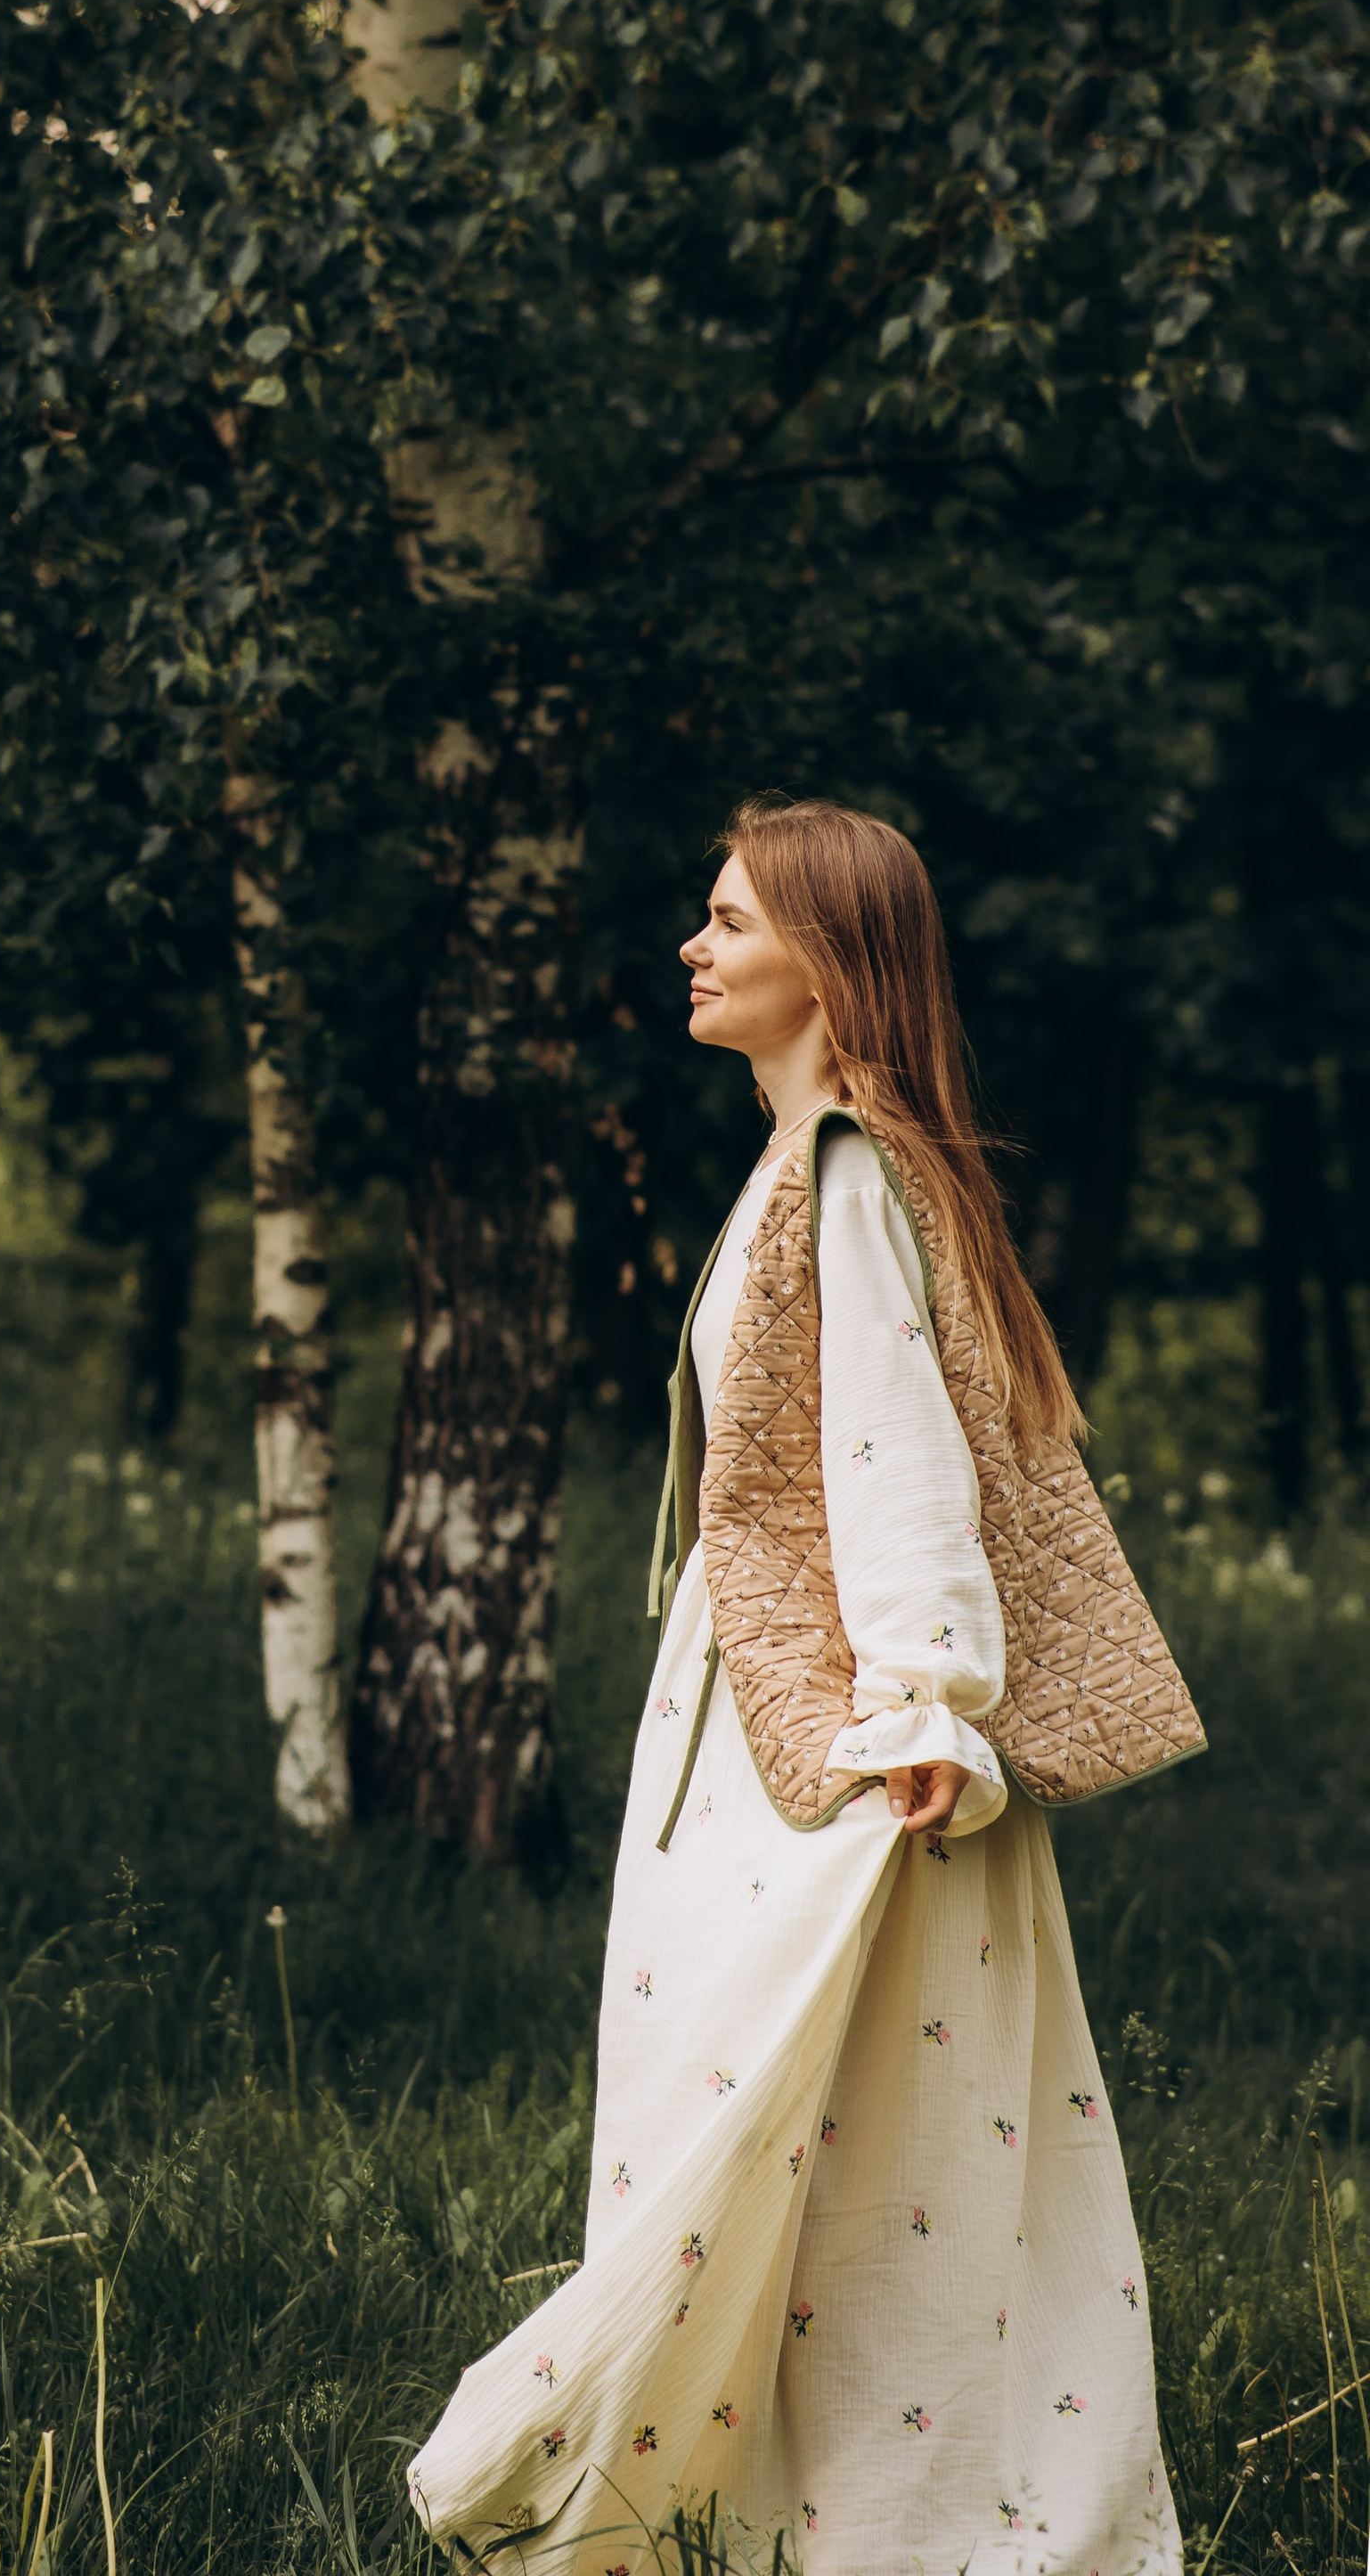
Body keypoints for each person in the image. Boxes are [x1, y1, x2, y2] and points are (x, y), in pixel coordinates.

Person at [407, 796, 1206, 2576]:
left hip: (842, 1743)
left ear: (827, 962)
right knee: (807, 2113)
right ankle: (757, 2498)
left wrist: (921, 1700)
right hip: (773, 1706)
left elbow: (891, 1442)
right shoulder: (812, 1163)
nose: (691, 947)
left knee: (806, 2111)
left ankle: (837, 2508)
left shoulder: (846, 1169)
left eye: (728, 923)